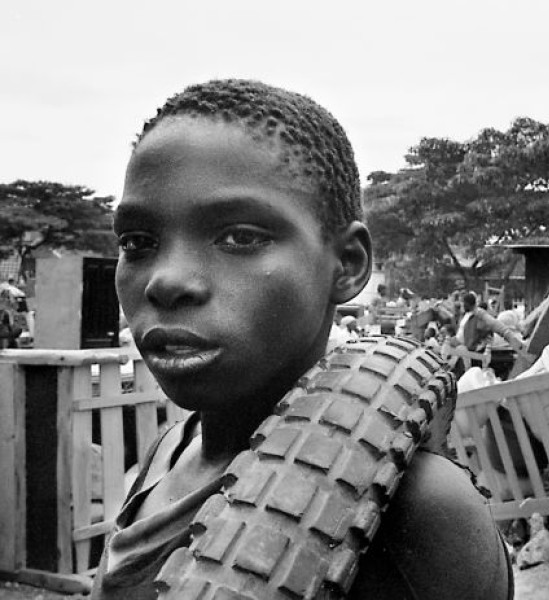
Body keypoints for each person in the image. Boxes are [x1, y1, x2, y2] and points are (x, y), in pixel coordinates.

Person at [91, 79, 512, 600]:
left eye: (240, 237)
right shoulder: (170, 452)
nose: (165, 281)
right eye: (138, 242)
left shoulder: (417, 512)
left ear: (348, 264)